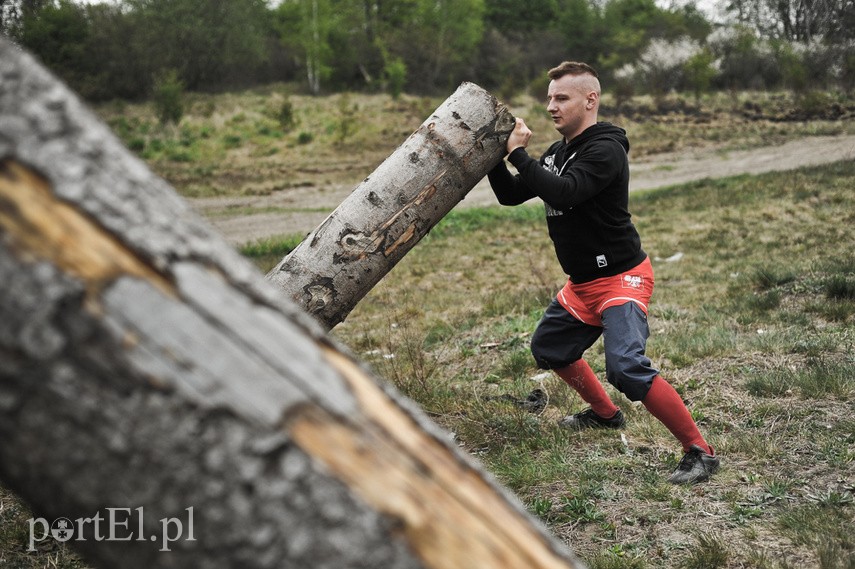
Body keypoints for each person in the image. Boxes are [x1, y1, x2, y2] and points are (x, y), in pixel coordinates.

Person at [487, 61, 719, 484]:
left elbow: (566, 193)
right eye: (549, 98)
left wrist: (518, 153)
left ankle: (699, 451)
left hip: (620, 279)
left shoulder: (605, 148)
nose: (551, 107)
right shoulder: (558, 152)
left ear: (589, 100)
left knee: (625, 367)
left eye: (561, 98)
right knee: (550, 349)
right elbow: (510, 195)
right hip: (582, 285)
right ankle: (604, 415)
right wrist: (491, 156)